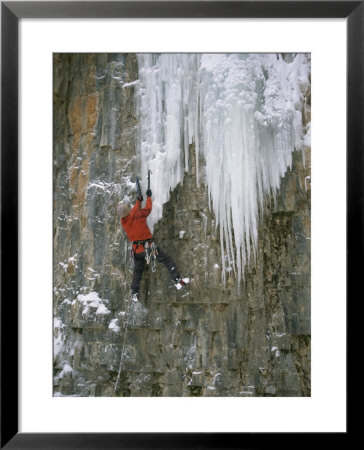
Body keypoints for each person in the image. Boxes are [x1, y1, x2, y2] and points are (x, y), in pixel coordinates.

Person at [118, 188, 189, 302]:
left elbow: (132, 213)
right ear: (128, 210)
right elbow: (148, 209)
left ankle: (135, 293)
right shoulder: (138, 215)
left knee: (138, 271)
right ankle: (177, 280)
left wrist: (138, 201)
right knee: (166, 258)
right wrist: (149, 197)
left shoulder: (124, 222)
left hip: (137, 251)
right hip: (148, 248)